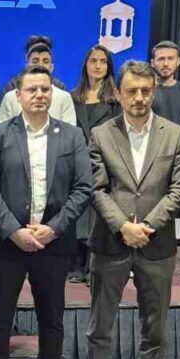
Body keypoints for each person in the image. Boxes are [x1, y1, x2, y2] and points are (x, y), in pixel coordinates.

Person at [0, 65, 92, 359]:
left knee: (52, 320)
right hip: (7, 244)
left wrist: (53, 229)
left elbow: (83, 189)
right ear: (18, 96)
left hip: (53, 244)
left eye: (45, 89)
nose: (40, 95)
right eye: (32, 89)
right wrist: (14, 231)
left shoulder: (71, 136)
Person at [82, 61, 180, 359]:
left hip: (156, 245)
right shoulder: (101, 134)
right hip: (111, 241)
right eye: (132, 91)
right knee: (100, 324)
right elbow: (96, 189)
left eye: (146, 91)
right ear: (118, 93)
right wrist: (123, 226)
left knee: (154, 326)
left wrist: (147, 226)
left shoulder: (175, 135)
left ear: (154, 91)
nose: (139, 97)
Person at [68, 44, 122, 284]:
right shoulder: (72, 98)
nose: (98, 66)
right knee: (77, 214)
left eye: (103, 61)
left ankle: (94, 268)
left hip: (104, 163)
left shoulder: (115, 100)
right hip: (77, 162)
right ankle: (76, 266)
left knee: (99, 215)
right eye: (93, 61)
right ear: (85, 65)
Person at [0, 43, 75, 124]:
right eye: (35, 61)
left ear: (51, 68)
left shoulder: (64, 98)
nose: (40, 65)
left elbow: (70, 131)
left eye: (45, 61)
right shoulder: (10, 98)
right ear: (27, 65)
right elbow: (0, 131)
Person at [149, 40, 180, 127]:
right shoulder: (143, 90)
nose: (166, 64)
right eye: (161, 59)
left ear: (178, 62)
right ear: (152, 63)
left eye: (170, 59)